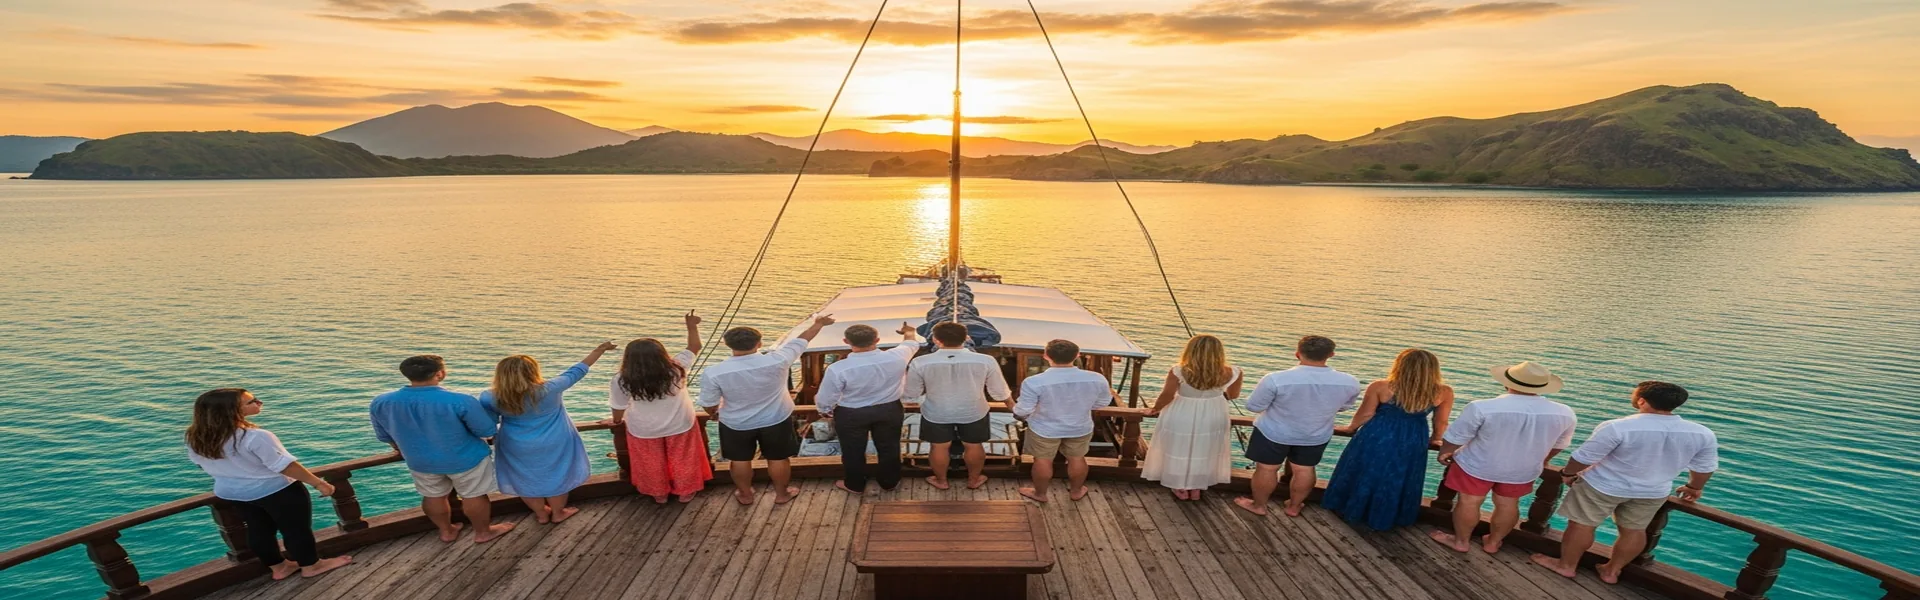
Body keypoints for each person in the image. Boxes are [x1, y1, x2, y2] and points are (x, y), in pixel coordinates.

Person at [1532, 381, 1717, 583]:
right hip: (1653, 491)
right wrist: (1694, 487)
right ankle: (1611, 571)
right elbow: (1704, 467)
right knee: (1634, 530)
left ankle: (1566, 566)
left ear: (1641, 400)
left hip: (1602, 485)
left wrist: (1568, 473)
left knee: (1582, 525)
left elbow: (1584, 457)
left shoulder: (1618, 426)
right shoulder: (1702, 433)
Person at [187, 388, 353, 580]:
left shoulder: (195, 439)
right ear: (231, 410)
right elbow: (285, 466)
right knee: (295, 529)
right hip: (276, 490)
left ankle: (279, 567)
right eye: (251, 401)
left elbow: (202, 465)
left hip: (234, 493)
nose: (259, 402)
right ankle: (311, 565)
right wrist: (318, 483)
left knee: (258, 530)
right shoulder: (256, 436)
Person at [1430, 361, 1576, 554]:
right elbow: (1560, 444)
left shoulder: (1482, 407)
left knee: (1469, 502)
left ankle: (1461, 542)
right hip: (1522, 469)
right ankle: (1493, 543)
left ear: (1508, 383)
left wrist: (1445, 452)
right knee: (1508, 504)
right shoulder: (1564, 412)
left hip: (1477, 465)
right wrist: (1542, 460)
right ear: (1542, 387)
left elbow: (1456, 437)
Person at [371, 355, 514, 544]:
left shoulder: (381, 402)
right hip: (465, 458)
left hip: (419, 461)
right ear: (440, 373)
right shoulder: (460, 400)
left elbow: (385, 436)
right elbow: (486, 430)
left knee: (433, 496)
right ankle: (483, 532)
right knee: (474, 495)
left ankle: (446, 531)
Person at [698, 314, 835, 505]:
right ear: (759, 343)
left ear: (727, 344)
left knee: (739, 460)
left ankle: (745, 495)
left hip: (736, 423)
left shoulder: (715, 372)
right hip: (775, 419)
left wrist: (714, 413)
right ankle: (782, 494)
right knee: (778, 458)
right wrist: (818, 323)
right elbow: (802, 340)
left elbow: (708, 401)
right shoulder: (778, 359)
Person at [480, 342, 616, 524]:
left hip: (515, 443)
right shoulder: (550, 388)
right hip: (556, 439)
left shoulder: (490, 396)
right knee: (558, 474)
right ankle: (558, 512)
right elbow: (578, 370)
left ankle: (542, 514)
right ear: (532, 371)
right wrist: (599, 350)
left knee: (524, 478)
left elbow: (489, 424)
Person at [1321, 348, 1456, 530]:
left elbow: (1366, 414)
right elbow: (1441, 421)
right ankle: (1391, 514)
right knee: (1400, 475)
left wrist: (1351, 427)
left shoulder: (1381, 386)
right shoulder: (1443, 392)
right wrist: (1436, 438)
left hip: (1378, 433)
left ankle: (1356, 508)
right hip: (1413, 437)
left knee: (1367, 470)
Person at [1234, 335, 1363, 517]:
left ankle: (1259, 505)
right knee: (1304, 469)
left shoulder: (1276, 379)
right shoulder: (1349, 381)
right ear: (1331, 354)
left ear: (1298, 354)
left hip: (1273, 432)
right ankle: (1294, 506)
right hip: (1315, 434)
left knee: (1267, 469)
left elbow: (1254, 406)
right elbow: (1344, 407)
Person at [609, 310, 712, 504]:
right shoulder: (676, 368)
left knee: (651, 462)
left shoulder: (621, 379)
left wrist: (616, 421)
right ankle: (685, 491)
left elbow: (618, 406)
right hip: (679, 424)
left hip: (643, 428)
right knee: (683, 458)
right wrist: (691, 325)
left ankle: (659, 494)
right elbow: (695, 346)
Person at [904, 320, 1012, 490]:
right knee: (974, 445)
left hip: (936, 412)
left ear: (936, 340)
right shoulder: (986, 360)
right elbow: (1000, 392)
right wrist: (1014, 407)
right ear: (966, 338)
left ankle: (941, 481)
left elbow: (911, 394)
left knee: (939, 446)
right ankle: (974, 480)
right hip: (974, 411)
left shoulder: (920, 363)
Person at [815, 321, 921, 494]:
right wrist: (908, 331)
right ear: (877, 339)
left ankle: (855, 484)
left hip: (851, 413)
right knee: (889, 447)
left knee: (852, 450)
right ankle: (889, 482)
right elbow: (911, 342)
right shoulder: (898, 356)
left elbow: (826, 397)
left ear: (846, 341)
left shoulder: (838, 368)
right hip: (889, 409)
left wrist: (825, 410)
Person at [1141, 334, 1243, 501]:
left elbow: (1167, 395)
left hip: (1183, 411)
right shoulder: (1233, 372)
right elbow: (1233, 395)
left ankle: (1180, 486)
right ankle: (1196, 487)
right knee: (1205, 448)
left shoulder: (1179, 371)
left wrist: (1154, 409)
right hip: (1214, 412)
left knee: (1179, 447)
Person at [1012, 339, 1114, 502]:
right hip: (1080, 426)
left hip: (1044, 428)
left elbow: (1023, 410)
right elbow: (1102, 403)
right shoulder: (1097, 378)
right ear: (1077, 355)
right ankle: (1076, 491)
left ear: (1046, 356)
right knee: (1077, 458)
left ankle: (1040, 494)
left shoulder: (1034, 382)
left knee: (1042, 460)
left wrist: (1018, 413)